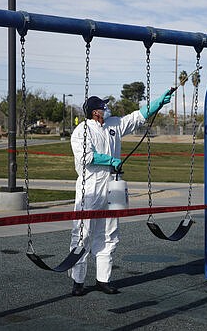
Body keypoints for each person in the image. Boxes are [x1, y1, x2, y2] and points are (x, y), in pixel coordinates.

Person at [69, 91, 171, 296]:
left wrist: (157, 104)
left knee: (110, 231)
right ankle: (78, 281)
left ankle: (103, 279)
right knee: (83, 232)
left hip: (115, 183)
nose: (108, 109)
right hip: (90, 186)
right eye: (104, 107)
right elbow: (86, 157)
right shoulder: (82, 130)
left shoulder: (114, 124)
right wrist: (109, 160)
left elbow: (135, 118)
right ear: (95, 112)